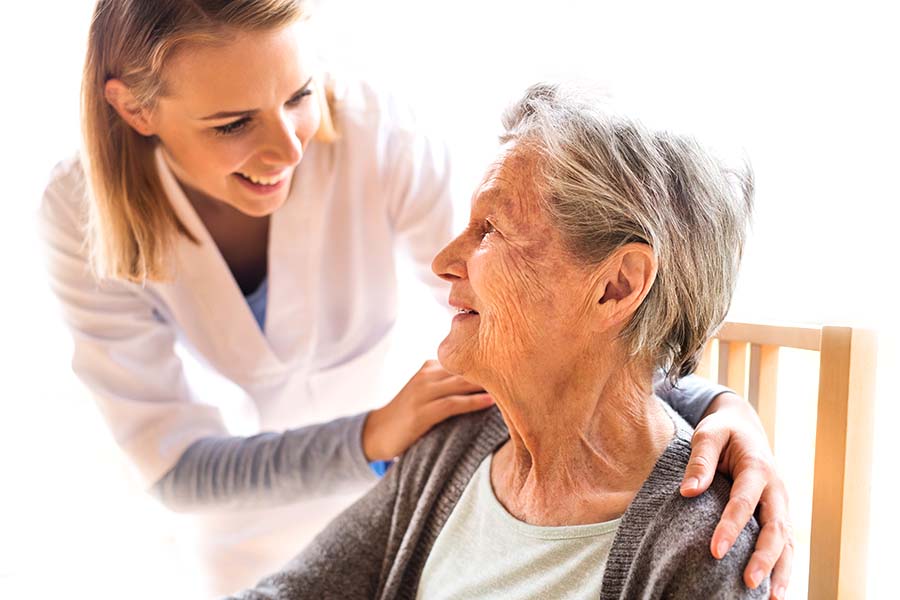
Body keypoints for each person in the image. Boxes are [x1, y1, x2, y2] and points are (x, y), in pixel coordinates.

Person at [40, 1, 790, 596]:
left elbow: (559, 306)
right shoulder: (78, 215)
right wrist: (373, 440)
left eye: (302, 94)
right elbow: (177, 468)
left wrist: (717, 404)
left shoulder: (372, 132)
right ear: (136, 110)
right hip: (280, 524)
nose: (290, 146)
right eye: (234, 123)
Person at [231, 83, 768, 599]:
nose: (443, 262)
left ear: (616, 286)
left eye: (490, 228)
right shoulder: (454, 441)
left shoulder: (704, 548)